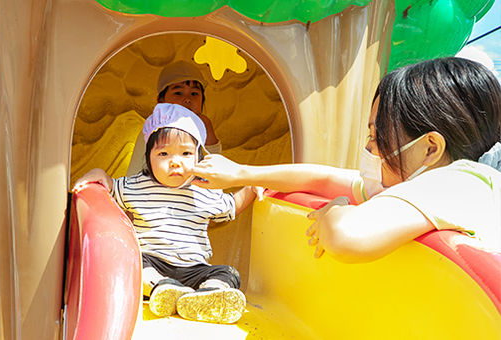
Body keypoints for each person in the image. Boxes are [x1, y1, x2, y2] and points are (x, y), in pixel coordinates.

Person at [188, 57, 501, 261]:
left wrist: (336, 210)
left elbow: (346, 237)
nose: (369, 149)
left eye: (377, 136)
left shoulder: (462, 182)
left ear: (430, 148)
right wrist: (241, 173)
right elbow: (323, 178)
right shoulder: (413, 184)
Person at [73, 103, 258, 324]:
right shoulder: (137, 185)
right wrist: (99, 173)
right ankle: (163, 288)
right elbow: (110, 186)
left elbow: (231, 206)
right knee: (135, 262)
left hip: (194, 270)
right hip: (154, 263)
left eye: (186, 153)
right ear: (149, 158)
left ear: (198, 157)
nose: (175, 162)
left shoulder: (204, 190)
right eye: (163, 153)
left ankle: (208, 294)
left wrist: (253, 186)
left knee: (228, 273)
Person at [127, 60, 221, 176]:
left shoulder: (203, 129)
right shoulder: (152, 131)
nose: (188, 99)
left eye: (194, 94)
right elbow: (133, 179)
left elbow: (215, 171)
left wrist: (208, 131)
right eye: (178, 93)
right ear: (161, 101)